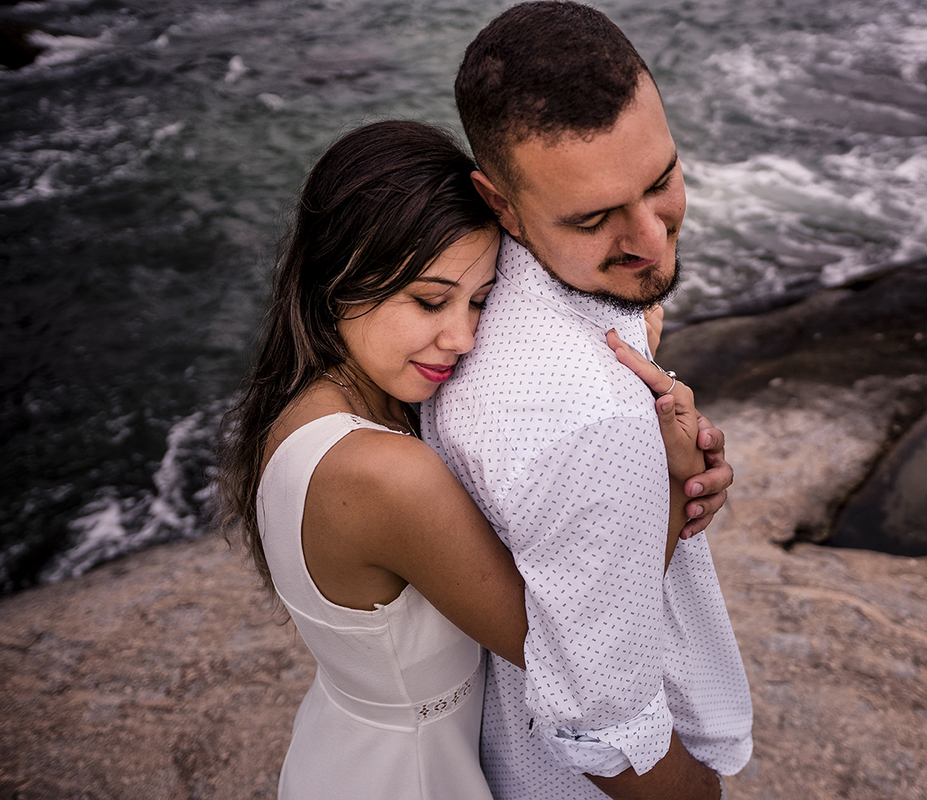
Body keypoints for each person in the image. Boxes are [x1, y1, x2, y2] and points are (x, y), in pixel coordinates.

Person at [218, 120, 733, 798]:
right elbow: (573, 649)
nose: (462, 338)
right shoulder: (387, 476)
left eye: (483, 301)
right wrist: (666, 478)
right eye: (430, 300)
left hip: (344, 748)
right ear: (337, 278)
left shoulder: (298, 407)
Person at [423, 3, 754, 799]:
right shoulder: (589, 418)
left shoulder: (473, 296)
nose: (651, 237)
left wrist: (662, 482)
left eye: (661, 179)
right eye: (595, 218)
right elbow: (607, 735)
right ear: (499, 202)